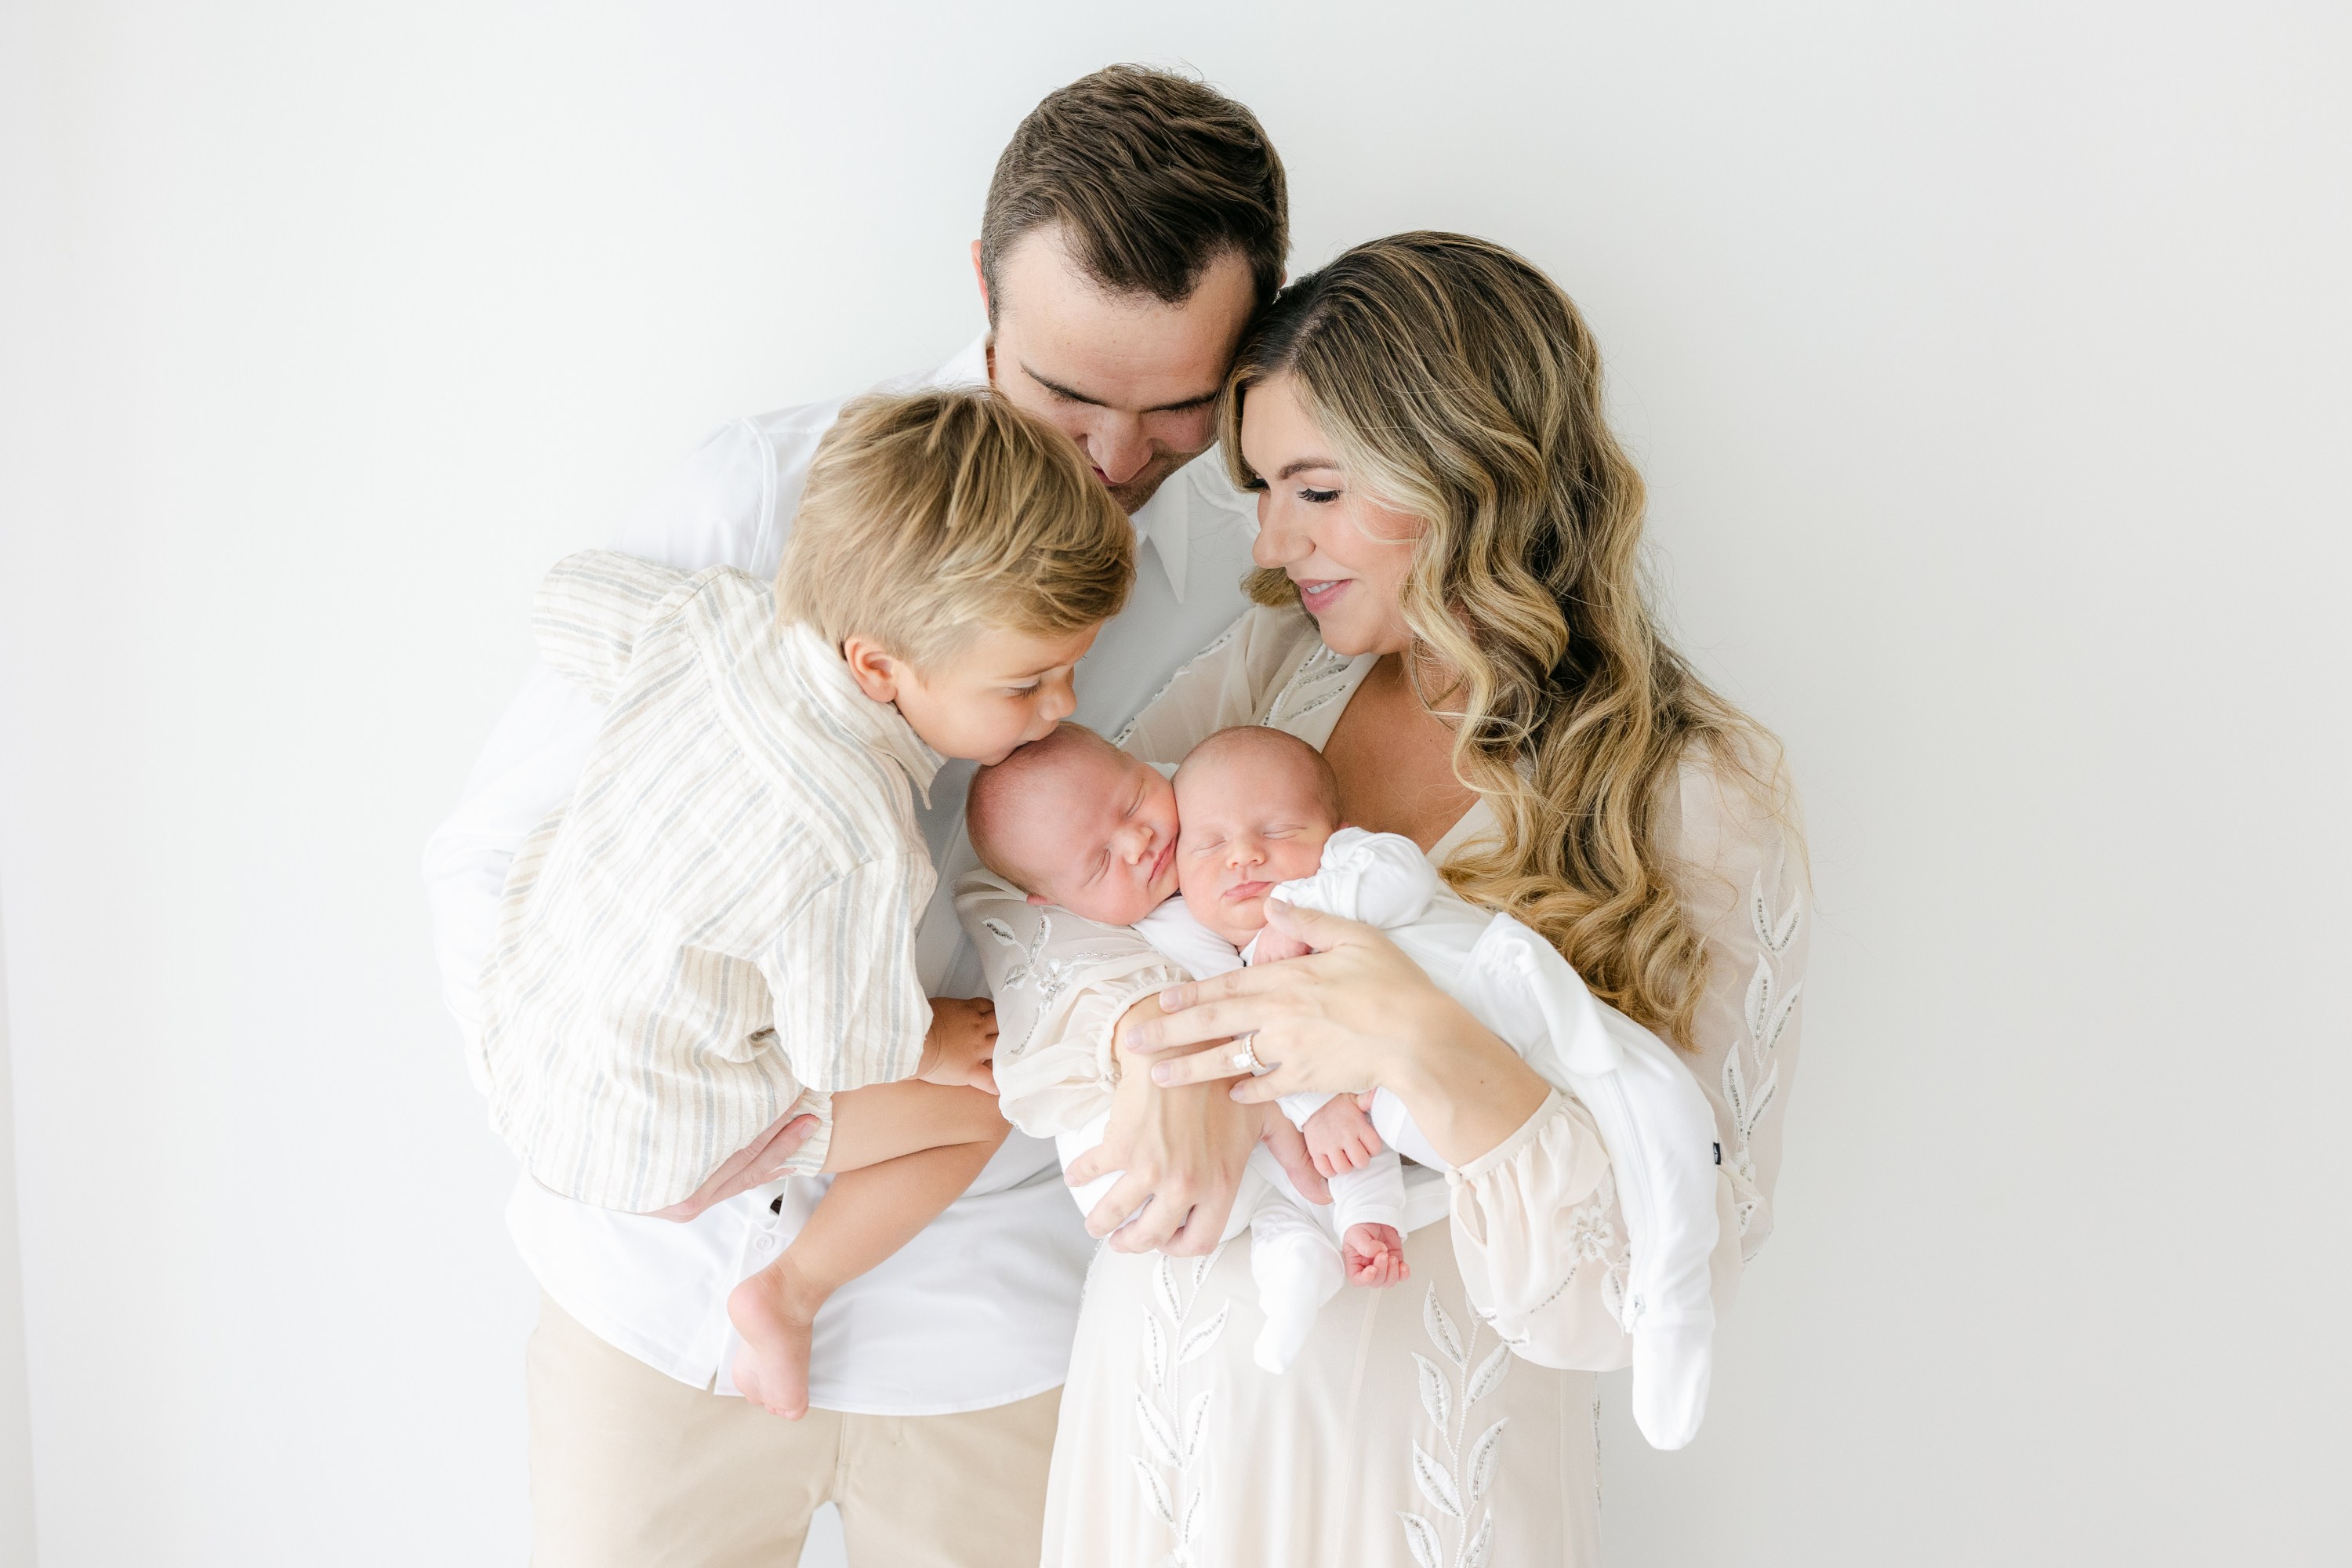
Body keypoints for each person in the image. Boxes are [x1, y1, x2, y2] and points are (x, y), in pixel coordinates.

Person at [423, 65, 1291, 1568]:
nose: (1108, 463)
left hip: (1001, 1332)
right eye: (1068, 395)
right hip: (654, 1296)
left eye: (1173, 417)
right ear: (981, 292)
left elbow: (1264, 921)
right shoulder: (762, 496)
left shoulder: (1257, 590)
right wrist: (592, 1131)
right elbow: (496, 850)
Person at [956, 232, 1809, 1564]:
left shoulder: (1700, 794)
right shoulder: (1275, 671)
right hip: (1163, 1427)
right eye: (1261, 487)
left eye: (1316, 489)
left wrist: (1419, 1040)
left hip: (1416, 1483)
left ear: (1465, 474)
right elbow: (1023, 890)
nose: (1273, 539)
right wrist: (1159, 1051)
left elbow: (1658, 1279)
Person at [479, 390, 1134, 1417]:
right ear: (878, 665)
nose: (1064, 708)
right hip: (653, 1126)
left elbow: (563, 599)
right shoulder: (859, 837)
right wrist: (933, 1041)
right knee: (983, 1105)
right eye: (1029, 683)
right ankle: (785, 1293)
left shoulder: (711, 619)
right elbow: (847, 1053)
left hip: (526, 1041)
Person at [971, 716, 1726, 1443]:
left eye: (1138, 801)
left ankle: (1672, 1299)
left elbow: (1366, 906)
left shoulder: (1235, 797)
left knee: (1652, 1113)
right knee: (1320, 1167)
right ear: (1059, 896)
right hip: (1193, 1350)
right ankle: (1298, 1253)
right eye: (1099, 863)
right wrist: (1168, 1051)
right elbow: (1009, 922)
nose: (1141, 840)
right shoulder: (1160, 894)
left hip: (1488, 1116)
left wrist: (1293, 942)